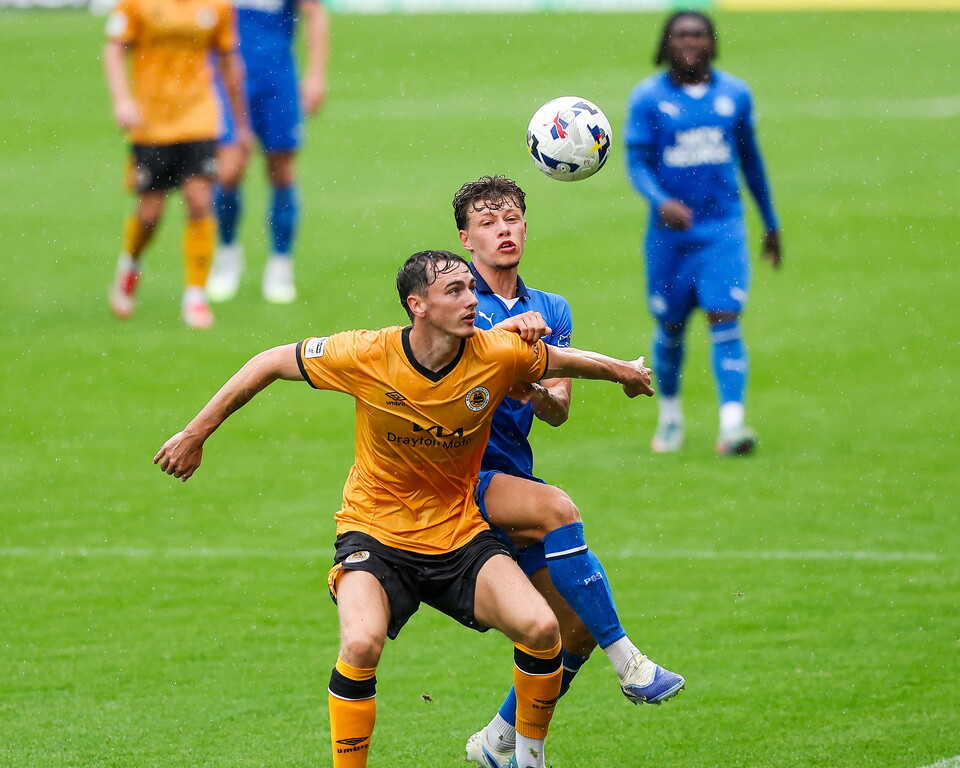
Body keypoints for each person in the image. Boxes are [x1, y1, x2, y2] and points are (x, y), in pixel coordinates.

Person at [154, 249, 656, 768]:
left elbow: (567, 362)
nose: (471, 300)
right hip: (374, 534)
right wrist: (195, 435)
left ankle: (525, 758)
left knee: (542, 628)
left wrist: (624, 373)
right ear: (417, 305)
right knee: (363, 643)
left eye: (469, 287)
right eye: (455, 291)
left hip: (458, 534)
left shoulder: (497, 352)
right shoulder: (366, 353)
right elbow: (269, 363)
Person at [452, 177, 685, 768]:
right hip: (457, 478)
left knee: (568, 631)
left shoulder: (551, 309)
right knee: (559, 507)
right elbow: (459, 372)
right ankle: (629, 661)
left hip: (509, 475)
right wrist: (510, 347)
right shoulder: (456, 302)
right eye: (487, 221)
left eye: (511, 218)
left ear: (527, 228)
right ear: (466, 238)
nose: (502, 229)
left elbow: (556, 409)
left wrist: (534, 385)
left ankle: (506, 745)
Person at [624, 10, 782, 455]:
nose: (689, 42)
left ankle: (732, 425)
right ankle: (670, 415)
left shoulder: (735, 95)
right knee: (671, 325)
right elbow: (635, 162)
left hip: (722, 228)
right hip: (668, 238)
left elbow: (752, 162)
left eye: (698, 34)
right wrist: (661, 201)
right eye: (680, 35)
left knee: (725, 318)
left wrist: (770, 223)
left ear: (712, 42)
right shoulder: (648, 99)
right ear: (666, 43)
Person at [104, 0, 252, 329]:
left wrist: (241, 125)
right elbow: (114, 48)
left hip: (199, 118)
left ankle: (196, 295)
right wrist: (122, 100)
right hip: (151, 122)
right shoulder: (137, 4)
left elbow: (229, 61)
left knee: (200, 201)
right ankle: (130, 264)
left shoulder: (218, 6)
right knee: (150, 213)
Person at [205, 0, 330, 304]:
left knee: (282, 170)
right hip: (227, 76)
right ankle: (227, 251)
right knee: (229, 171)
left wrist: (315, 75)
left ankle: (280, 263)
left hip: (276, 77)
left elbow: (314, 13)